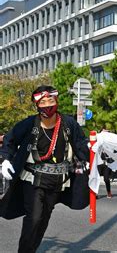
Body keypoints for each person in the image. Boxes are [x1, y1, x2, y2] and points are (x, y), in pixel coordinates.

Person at [0, 86, 89, 252]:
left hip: (57, 180)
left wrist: (88, 157)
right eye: (43, 101)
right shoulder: (29, 124)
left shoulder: (68, 123)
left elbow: (80, 143)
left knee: (44, 219)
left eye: (50, 100)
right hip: (32, 179)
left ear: (56, 102)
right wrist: (5, 160)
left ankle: (31, 249)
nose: (47, 104)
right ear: (36, 104)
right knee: (34, 217)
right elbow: (10, 139)